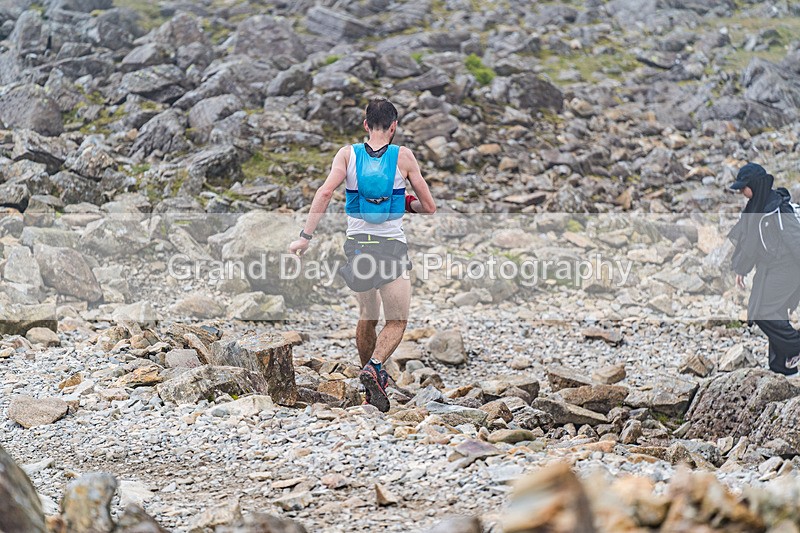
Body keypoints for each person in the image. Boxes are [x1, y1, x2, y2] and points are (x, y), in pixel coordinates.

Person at [288, 98, 436, 411]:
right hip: (391, 248)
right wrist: (404, 203)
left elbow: (325, 192)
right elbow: (429, 207)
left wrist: (304, 237)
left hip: (357, 246)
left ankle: (370, 390)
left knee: (367, 316)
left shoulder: (347, 154)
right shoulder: (404, 157)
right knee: (397, 321)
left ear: (366, 124)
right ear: (394, 126)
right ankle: (375, 367)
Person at [728, 162, 800, 375]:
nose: (741, 192)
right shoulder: (756, 205)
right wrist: (742, 269)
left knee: (762, 312)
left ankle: (795, 347)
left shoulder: (778, 208)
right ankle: (782, 368)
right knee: (775, 311)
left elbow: (796, 240)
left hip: (789, 267)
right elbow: (750, 244)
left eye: (744, 187)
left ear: (755, 185)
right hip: (769, 266)